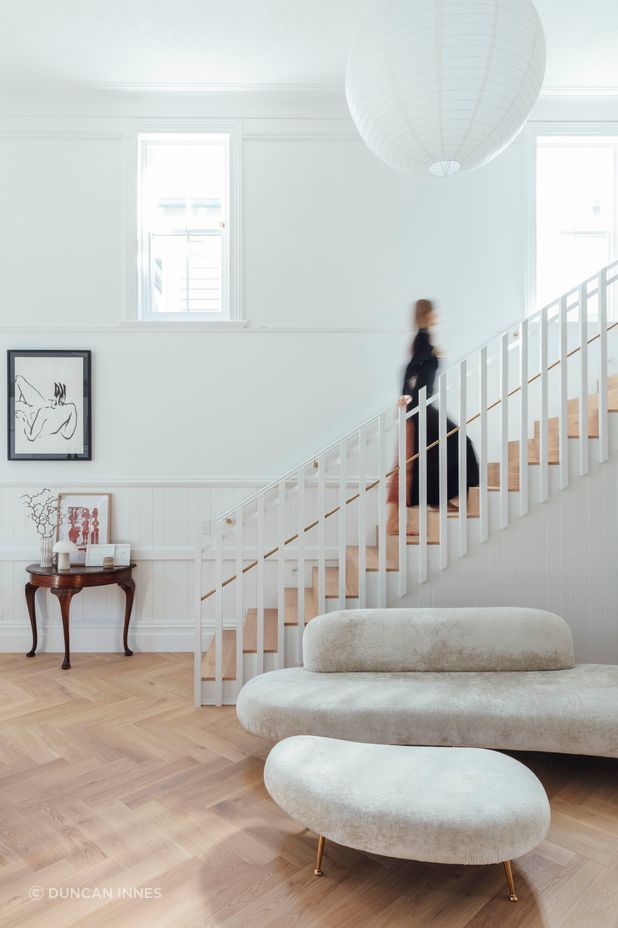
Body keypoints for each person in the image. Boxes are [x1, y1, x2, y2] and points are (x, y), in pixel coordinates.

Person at [387, 299, 479, 534]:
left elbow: (410, 370)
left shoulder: (424, 338)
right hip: (421, 407)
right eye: (434, 310)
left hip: (422, 405)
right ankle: (436, 501)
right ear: (427, 313)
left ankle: (439, 500)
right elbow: (409, 370)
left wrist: (406, 395)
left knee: (435, 453)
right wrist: (406, 396)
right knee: (459, 442)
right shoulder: (423, 338)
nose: (437, 313)